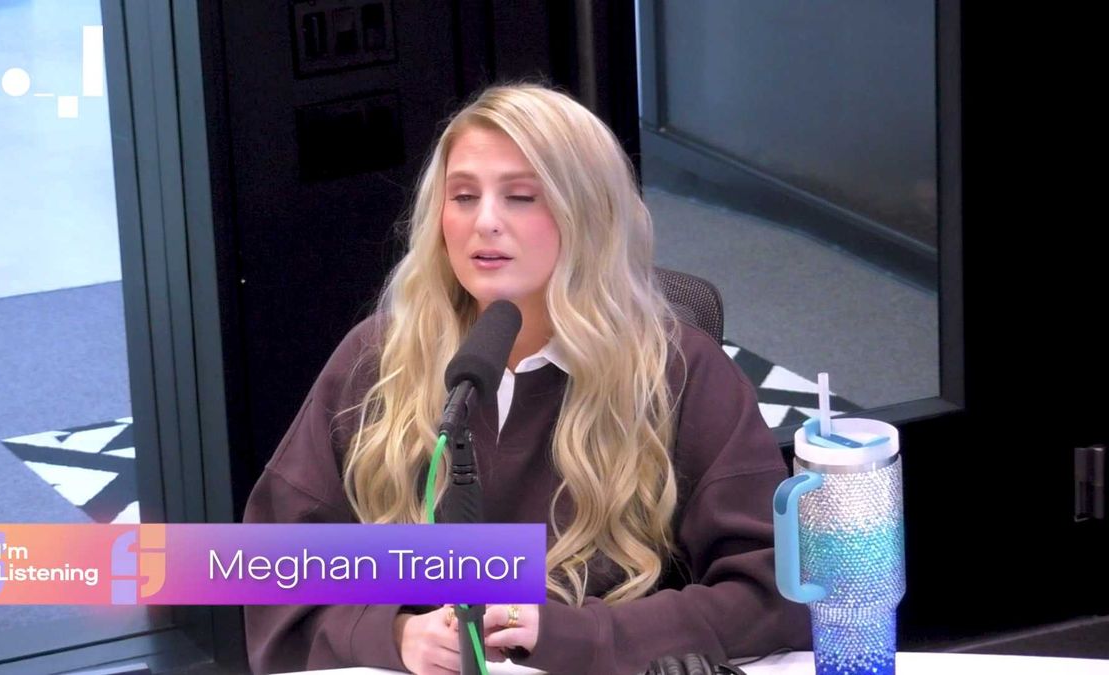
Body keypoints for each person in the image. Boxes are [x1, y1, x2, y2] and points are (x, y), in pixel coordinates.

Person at [243, 83, 810, 675]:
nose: (484, 221)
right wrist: (396, 634)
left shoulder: (679, 372)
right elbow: (270, 571)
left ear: (587, 215)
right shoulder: (377, 357)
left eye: (521, 196)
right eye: (462, 196)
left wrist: (574, 634)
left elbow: (776, 596)